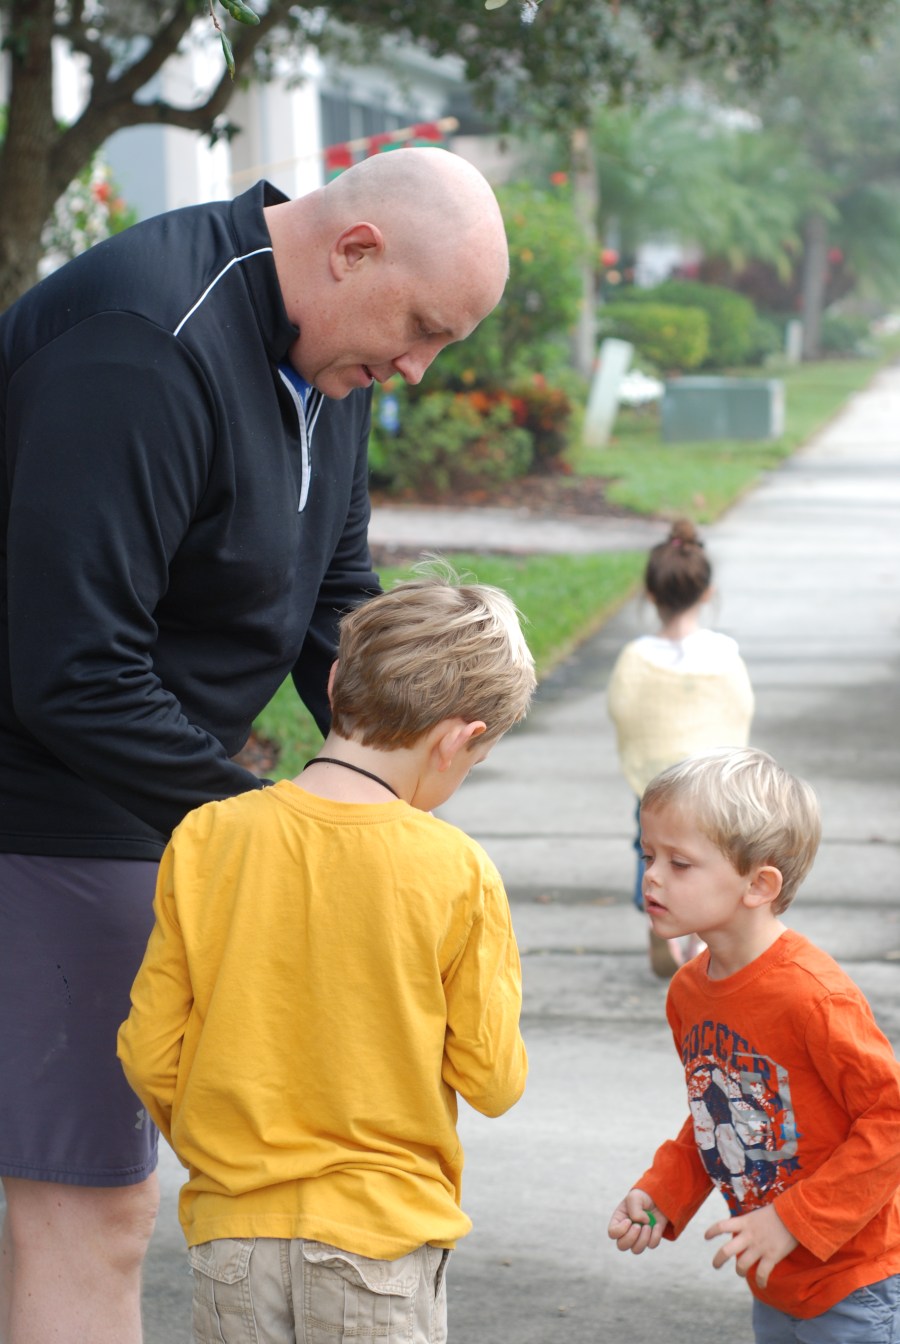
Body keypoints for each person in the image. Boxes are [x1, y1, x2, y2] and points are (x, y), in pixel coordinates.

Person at [0, 147, 509, 1343]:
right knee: (86, 1216)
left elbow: (335, 587)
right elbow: (73, 672)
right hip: (44, 810)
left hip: (147, 806)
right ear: (354, 251)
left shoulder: (330, 346)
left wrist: (388, 779)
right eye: (423, 330)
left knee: (88, 1210)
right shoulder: (142, 346)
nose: (418, 369)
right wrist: (278, 833)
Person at [116, 568, 535, 1344]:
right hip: (381, 1237)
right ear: (458, 740)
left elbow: (148, 1049)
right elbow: (493, 1079)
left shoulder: (207, 836)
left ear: (337, 679)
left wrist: (228, 1147)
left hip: (234, 1235)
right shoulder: (456, 869)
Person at [607, 747, 900, 1343]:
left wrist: (792, 1221)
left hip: (854, 1281)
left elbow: (891, 1118)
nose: (652, 876)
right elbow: (721, 1114)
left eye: (679, 863)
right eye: (648, 855)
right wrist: (663, 1191)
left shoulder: (812, 995)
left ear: (758, 884)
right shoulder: (688, 992)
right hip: (773, 1279)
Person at [606, 518, 754, 978]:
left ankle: (661, 923)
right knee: (706, 856)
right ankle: (699, 936)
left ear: (651, 595)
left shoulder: (636, 657)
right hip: (712, 784)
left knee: (652, 849)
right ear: (707, 593)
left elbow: (622, 709)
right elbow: (740, 707)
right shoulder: (724, 653)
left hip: (657, 780)